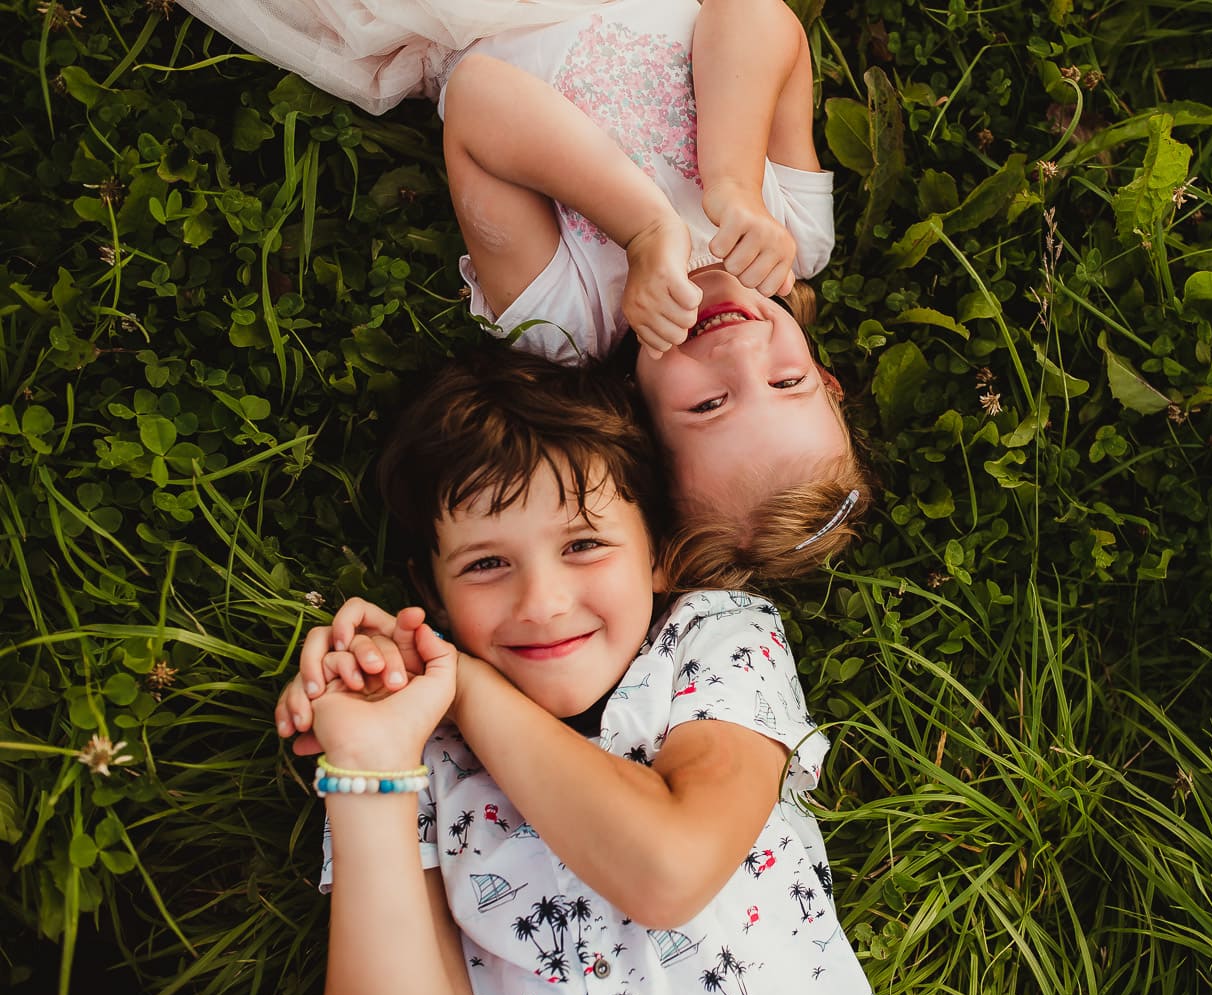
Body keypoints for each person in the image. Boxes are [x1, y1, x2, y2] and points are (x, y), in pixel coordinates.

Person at [177, 0, 872, 580]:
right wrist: (732, 181)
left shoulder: (568, 319)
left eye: (710, 403)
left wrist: (642, 230)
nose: (742, 352)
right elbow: (753, 13)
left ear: (636, 418)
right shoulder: (793, 234)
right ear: (826, 375)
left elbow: (477, 96)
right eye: (787, 381)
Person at [275, 346, 875, 995]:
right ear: (434, 591)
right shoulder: (421, 754)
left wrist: (470, 685)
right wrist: (370, 759)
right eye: (485, 564)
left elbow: (670, 869)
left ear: (659, 552)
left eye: (583, 544)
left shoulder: (714, 639)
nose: (542, 602)